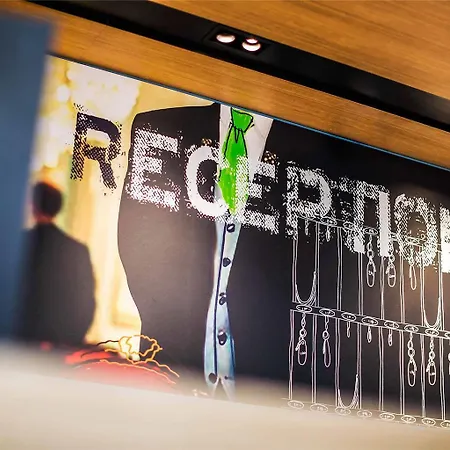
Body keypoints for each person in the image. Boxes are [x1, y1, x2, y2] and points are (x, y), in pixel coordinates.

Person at [19, 182, 96, 348]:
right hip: (60, 343)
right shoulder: (77, 250)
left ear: (33, 205)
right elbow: (87, 303)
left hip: (20, 338)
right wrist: (71, 340)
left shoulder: (19, 244)